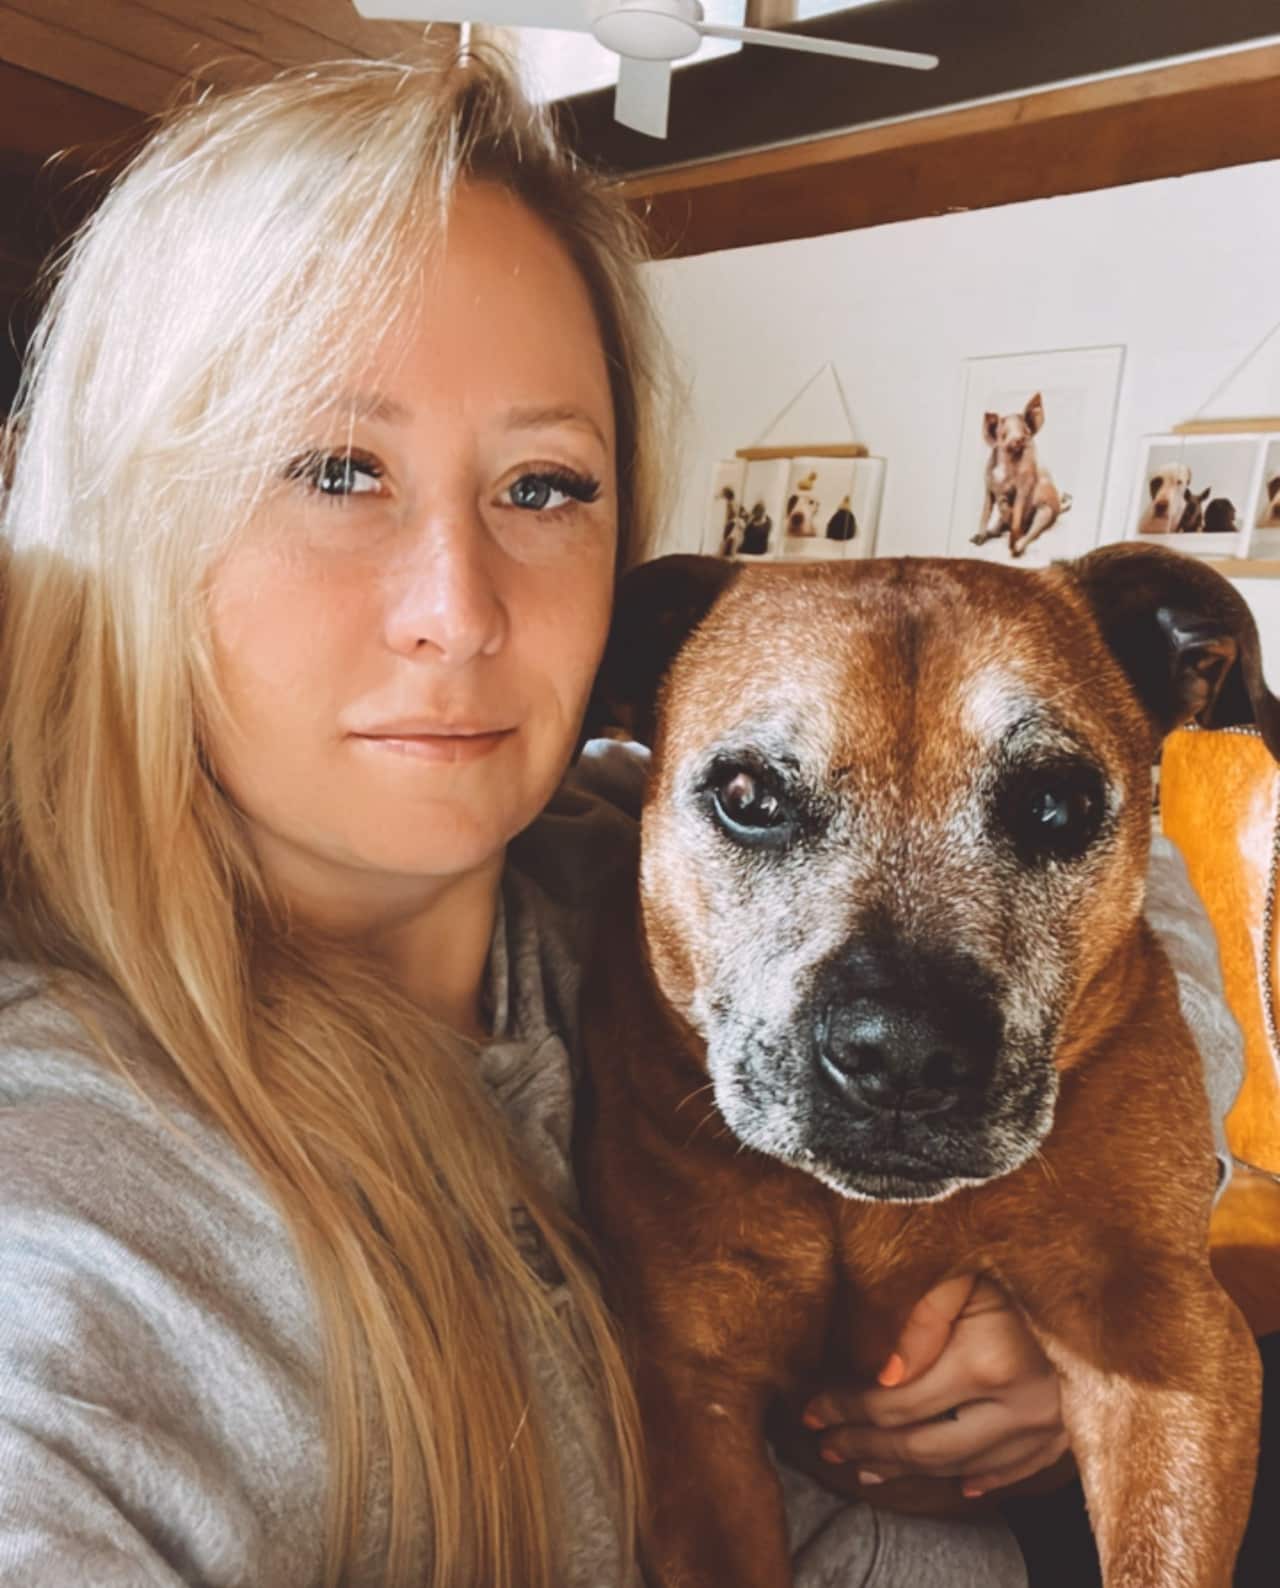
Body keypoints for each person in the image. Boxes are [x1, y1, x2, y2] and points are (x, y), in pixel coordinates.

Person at [0, 50, 1263, 1588]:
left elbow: (1126, 880)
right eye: (337, 470)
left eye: (543, 484)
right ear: (120, 520)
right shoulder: (71, 1190)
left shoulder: (611, 842)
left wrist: (1111, 1246)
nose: (460, 609)